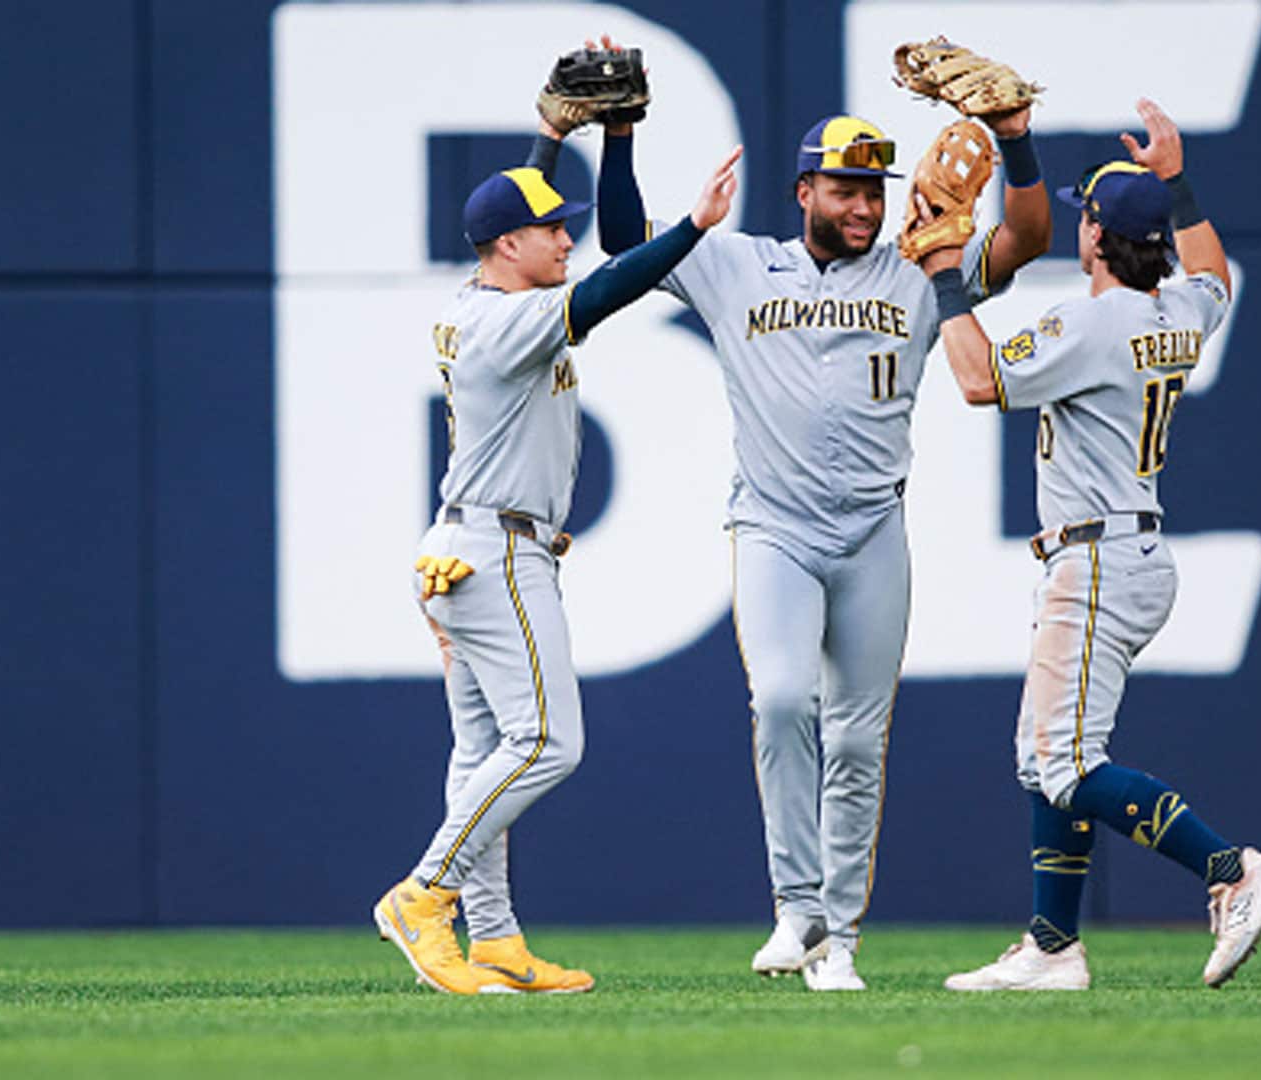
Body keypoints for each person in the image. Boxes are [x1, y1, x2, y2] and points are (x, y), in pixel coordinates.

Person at [600, 105, 1051, 989]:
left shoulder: (918, 267)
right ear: (804, 190)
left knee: (855, 741)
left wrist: (1017, 139)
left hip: (873, 529)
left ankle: (838, 939)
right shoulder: (737, 264)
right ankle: (797, 908)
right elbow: (623, 242)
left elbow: (1028, 237)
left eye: (873, 192)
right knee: (779, 701)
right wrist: (619, 139)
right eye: (845, 189)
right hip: (775, 526)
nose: (864, 207)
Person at [372, 80, 742, 994]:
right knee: (546, 744)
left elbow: (515, 220)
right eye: (553, 229)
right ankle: (423, 896)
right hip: (497, 553)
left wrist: (550, 141)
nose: (568, 238)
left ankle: (494, 938)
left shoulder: (481, 295)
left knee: (483, 754)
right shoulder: (508, 322)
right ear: (510, 246)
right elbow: (614, 288)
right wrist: (693, 227)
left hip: (467, 544)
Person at [917, 99, 1261, 991]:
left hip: (1096, 560)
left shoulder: (1092, 324)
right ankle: (1052, 946)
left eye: (1084, 217)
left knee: (1065, 762)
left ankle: (1231, 869)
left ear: (1093, 235)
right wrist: (1178, 182)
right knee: (1042, 758)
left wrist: (942, 274)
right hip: (1128, 552)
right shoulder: (1180, 308)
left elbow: (976, 380)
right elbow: (1215, 275)